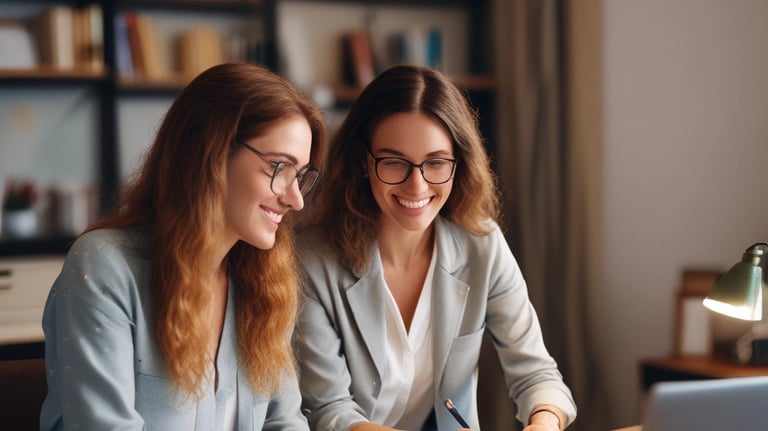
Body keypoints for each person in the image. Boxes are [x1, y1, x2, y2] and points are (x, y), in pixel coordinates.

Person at [40, 62, 325, 430]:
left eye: (300, 175)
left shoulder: (265, 283)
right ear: (211, 154)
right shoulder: (104, 266)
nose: (296, 199)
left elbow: (284, 422)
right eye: (278, 167)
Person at [294, 64, 576, 431]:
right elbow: (329, 410)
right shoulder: (312, 261)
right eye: (394, 163)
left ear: (458, 163)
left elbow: (536, 373)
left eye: (436, 163)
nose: (417, 185)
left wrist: (544, 423)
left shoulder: (482, 246)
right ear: (364, 161)